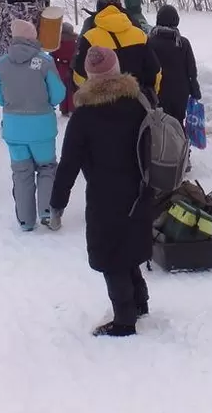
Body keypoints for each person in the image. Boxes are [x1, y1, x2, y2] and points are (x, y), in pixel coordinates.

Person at [50, 47, 153, 337]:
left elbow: (69, 163)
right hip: (140, 189)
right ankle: (140, 303)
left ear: (90, 75)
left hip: (105, 196)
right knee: (130, 246)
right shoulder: (139, 101)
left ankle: (124, 321)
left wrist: (57, 202)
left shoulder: (84, 116)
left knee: (112, 257)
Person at [0, 19, 66, 230]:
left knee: (21, 172)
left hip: (14, 128)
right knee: (47, 168)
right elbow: (58, 94)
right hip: (41, 127)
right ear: (32, 37)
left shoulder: (2, 63)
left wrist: (12, 104)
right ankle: (47, 213)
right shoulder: (44, 62)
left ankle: (25, 221)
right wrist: (45, 103)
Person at [72, 0, 161, 98]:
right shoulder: (139, 35)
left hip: (102, 102)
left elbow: (79, 76)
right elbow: (155, 72)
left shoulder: (90, 37)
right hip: (137, 100)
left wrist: (88, 97)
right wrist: (151, 95)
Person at [147, 5, 201, 125]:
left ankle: (161, 143)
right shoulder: (183, 43)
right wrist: (195, 90)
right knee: (178, 124)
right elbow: (191, 70)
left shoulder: (149, 42)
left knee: (159, 125)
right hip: (180, 94)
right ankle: (180, 142)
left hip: (158, 93)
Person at [53, 21, 78, 116]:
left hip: (61, 67)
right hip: (73, 67)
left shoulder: (57, 42)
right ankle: (73, 108)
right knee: (73, 88)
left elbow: (53, 55)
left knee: (63, 88)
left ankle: (64, 109)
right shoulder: (76, 40)